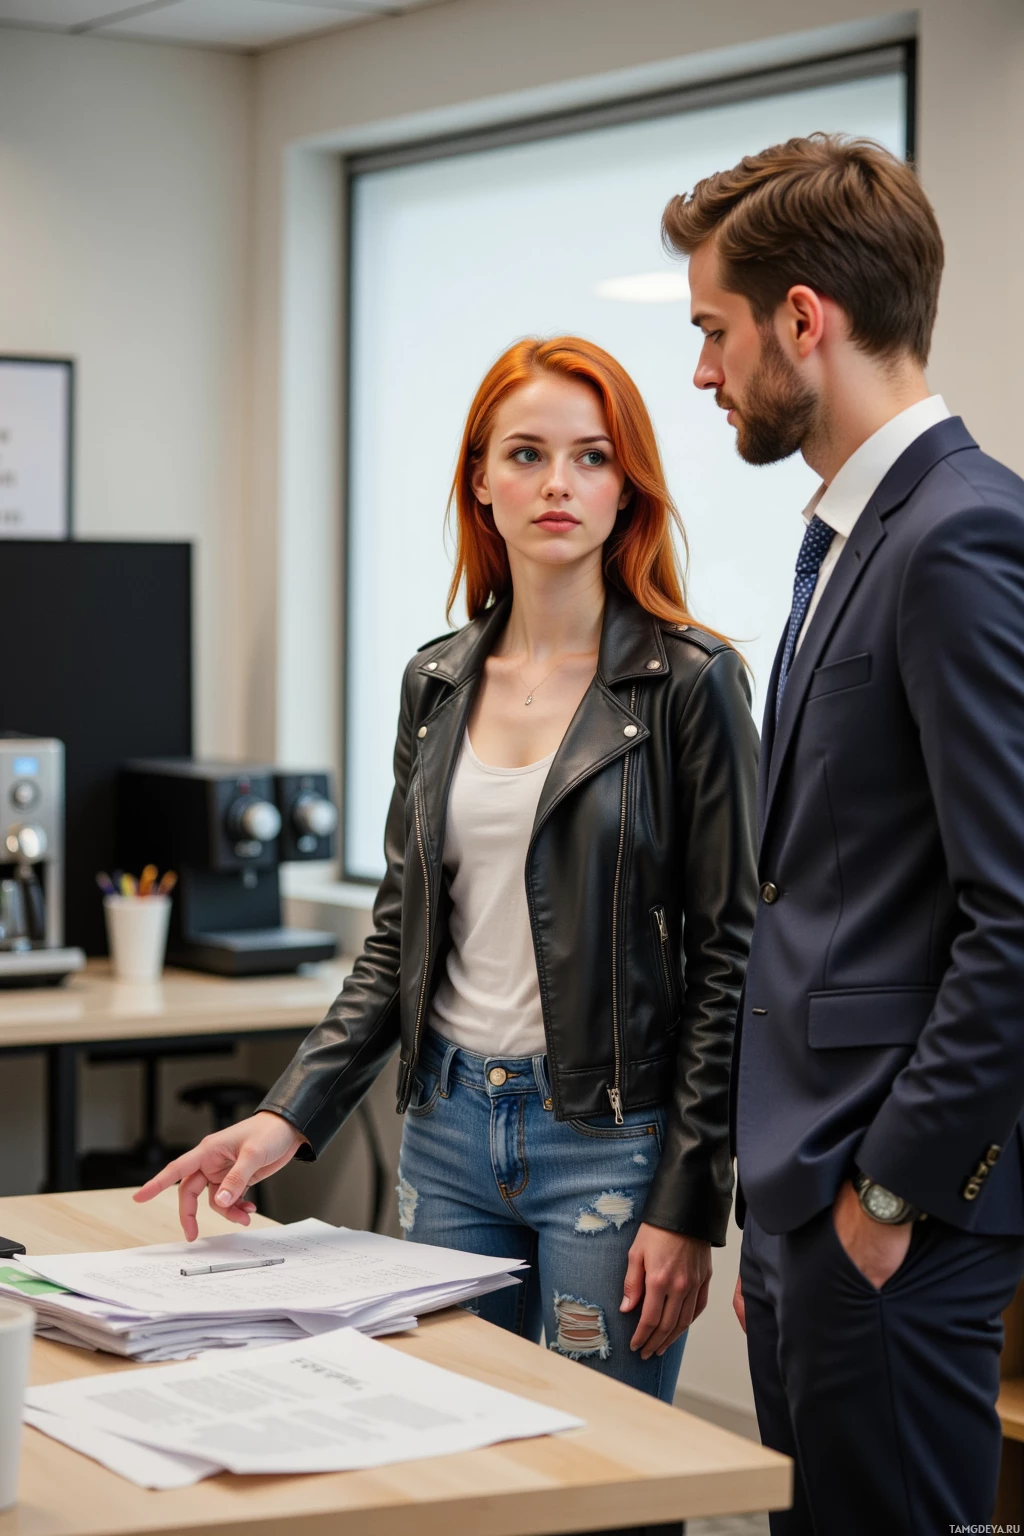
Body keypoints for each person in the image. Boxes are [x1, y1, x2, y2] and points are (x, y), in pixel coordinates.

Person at [137, 337, 758, 1416]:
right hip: (448, 1128)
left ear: (628, 486)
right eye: (526, 454)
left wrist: (691, 1202)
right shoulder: (434, 682)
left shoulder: (690, 683)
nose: (557, 483)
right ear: (480, 480)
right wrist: (286, 1116)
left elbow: (729, 961)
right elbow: (398, 940)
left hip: (608, 1145)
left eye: (592, 457)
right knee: (445, 1438)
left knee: (596, 1461)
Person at [663, 132, 1024, 1533]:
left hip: (886, 1212)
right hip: (812, 1195)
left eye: (715, 332)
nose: (704, 372)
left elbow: (1014, 915)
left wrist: (888, 1193)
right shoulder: (852, 532)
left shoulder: (957, 536)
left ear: (802, 320)